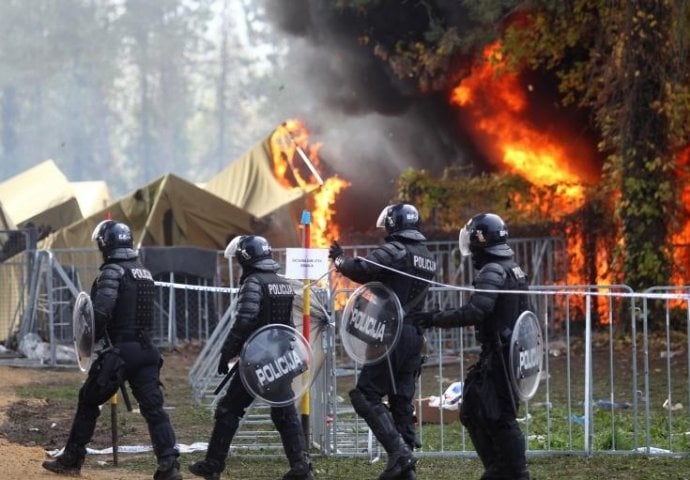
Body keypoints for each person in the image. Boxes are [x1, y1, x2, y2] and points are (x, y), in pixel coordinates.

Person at [42, 220, 182, 480]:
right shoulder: (143, 271)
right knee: (154, 409)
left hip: (120, 353)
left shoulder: (112, 271)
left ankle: (72, 459)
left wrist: (91, 337)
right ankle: (169, 465)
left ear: (105, 244)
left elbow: (101, 311)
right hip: (147, 351)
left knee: (88, 400)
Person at [413, 213, 531, 480]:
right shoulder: (513, 267)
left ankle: (512, 470)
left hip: (500, 356)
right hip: (508, 353)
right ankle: (499, 467)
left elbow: (477, 311)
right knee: (474, 408)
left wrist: (434, 318)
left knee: (500, 415)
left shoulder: (493, 269)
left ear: (480, 240)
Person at [189, 235, 314, 480]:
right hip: (278, 359)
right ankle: (301, 466)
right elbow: (288, 326)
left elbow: (244, 320)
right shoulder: (282, 282)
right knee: (284, 412)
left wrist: (227, 352)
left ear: (246, 258)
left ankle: (213, 465)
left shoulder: (254, 283)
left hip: (257, 361)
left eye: (238, 260)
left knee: (229, 409)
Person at [328, 203, 437, 480]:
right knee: (401, 400)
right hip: (414, 336)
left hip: (393, 335)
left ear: (394, 224)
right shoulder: (426, 255)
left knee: (365, 394)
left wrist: (340, 260)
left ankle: (399, 454)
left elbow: (363, 269)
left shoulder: (397, 250)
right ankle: (406, 469)